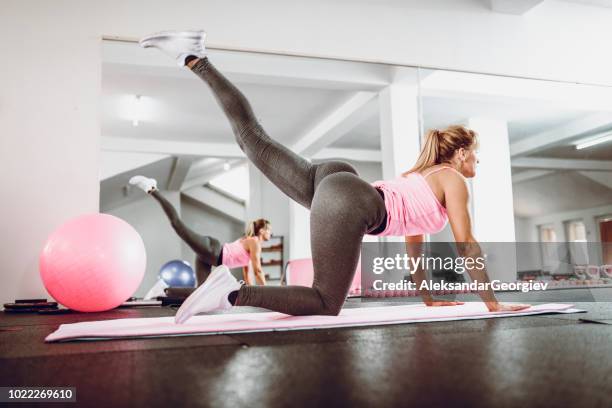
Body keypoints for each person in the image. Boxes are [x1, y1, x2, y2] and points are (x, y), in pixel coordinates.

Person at [137, 30, 530, 324]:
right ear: (460, 154)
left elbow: (415, 250)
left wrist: (428, 298)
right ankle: (233, 292)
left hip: (338, 180)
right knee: (326, 302)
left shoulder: (424, 177)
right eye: (475, 157)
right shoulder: (452, 181)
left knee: (252, 139)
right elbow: (467, 245)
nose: (477, 165)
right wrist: (492, 303)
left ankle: (195, 58)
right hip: (349, 199)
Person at [129, 175, 272, 293]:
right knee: (177, 224)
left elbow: (248, 274)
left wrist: (250, 293)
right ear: (262, 230)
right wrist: (268, 294)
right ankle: (152, 188)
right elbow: (258, 270)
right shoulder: (254, 242)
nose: (270, 234)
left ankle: (164, 291)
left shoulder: (250, 242)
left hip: (210, 258)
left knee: (201, 293)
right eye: (269, 230)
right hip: (213, 251)